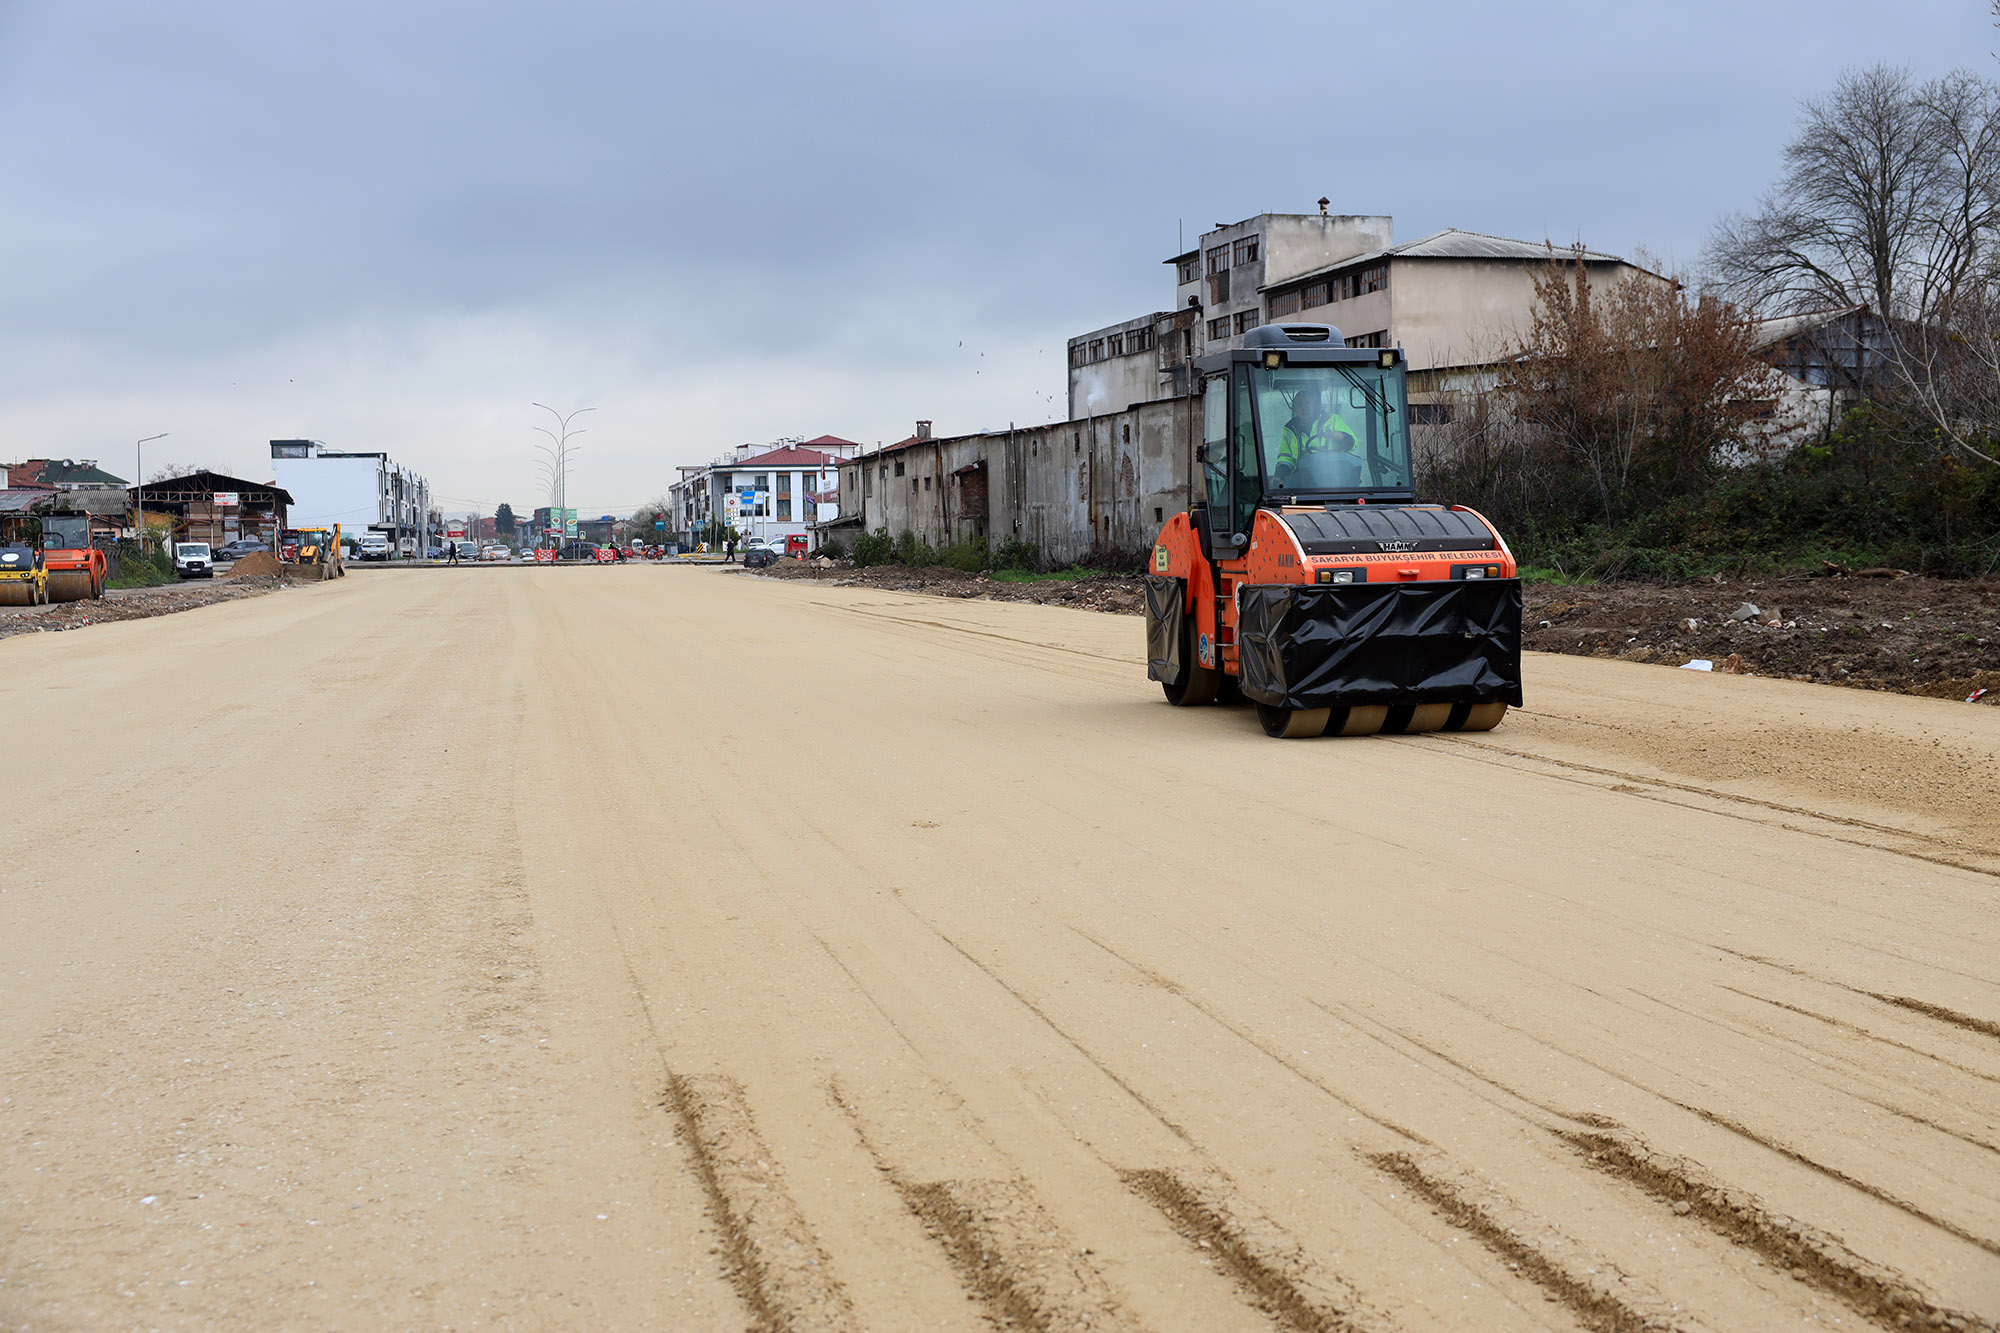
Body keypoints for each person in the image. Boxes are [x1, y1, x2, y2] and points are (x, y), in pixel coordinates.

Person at [1274, 384, 1361, 487]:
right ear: (1294, 408)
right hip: (1304, 483)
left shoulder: (1332, 420)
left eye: (1307, 403)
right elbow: (1286, 458)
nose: (1304, 408)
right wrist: (1279, 475)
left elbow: (1353, 444)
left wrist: (1341, 437)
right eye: (1300, 404)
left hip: (1336, 480)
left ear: (1314, 405)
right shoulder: (1289, 429)